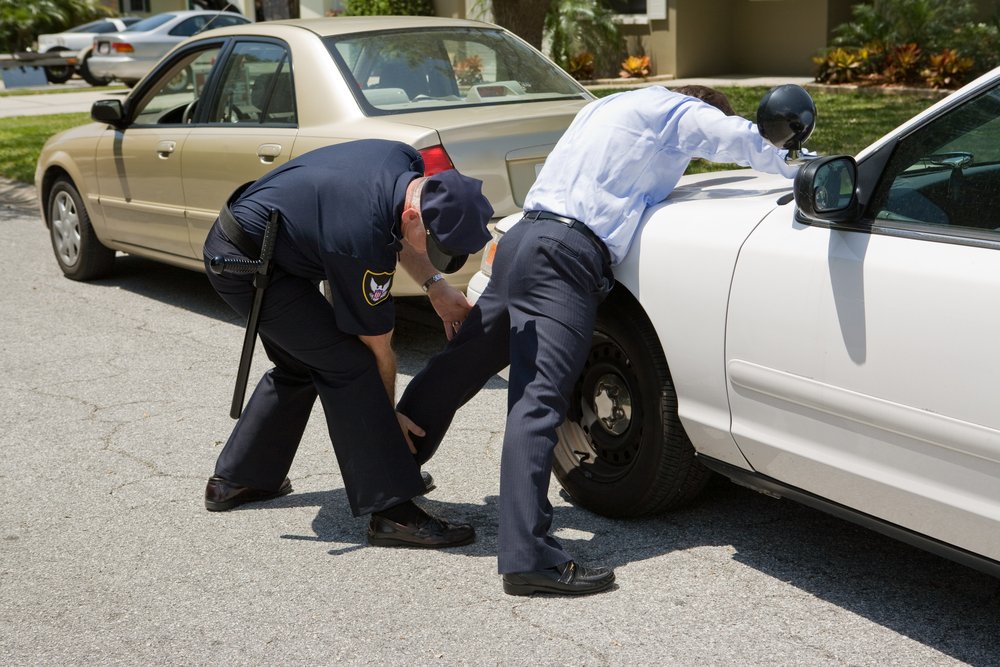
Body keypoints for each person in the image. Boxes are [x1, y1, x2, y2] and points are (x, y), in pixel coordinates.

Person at [396, 85, 803, 595]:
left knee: (464, 362)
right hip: (565, 254)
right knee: (539, 402)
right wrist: (805, 166)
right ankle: (528, 558)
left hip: (524, 237)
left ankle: (391, 473)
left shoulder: (604, 107)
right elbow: (742, 141)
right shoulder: (677, 110)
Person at [202, 139, 493, 550]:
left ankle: (239, 479)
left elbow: (403, 234)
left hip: (274, 244)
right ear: (416, 213)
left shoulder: (402, 160)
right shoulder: (360, 236)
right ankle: (392, 512)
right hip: (244, 263)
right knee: (349, 365)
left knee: (303, 361)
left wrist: (436, 286)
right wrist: (386, 420)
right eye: (435, 245)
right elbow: (375, 344)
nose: (435, 254)